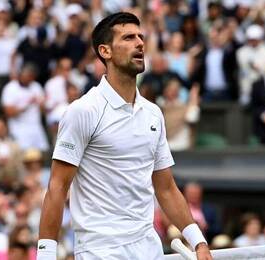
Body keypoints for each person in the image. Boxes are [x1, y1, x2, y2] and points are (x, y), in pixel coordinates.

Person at [37, 12, 212, 260]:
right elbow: (57, 187)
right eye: (128, 37)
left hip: (148, 248)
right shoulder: (83, 111)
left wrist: (199, 242)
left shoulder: (153, 114)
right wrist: (45, 256)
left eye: (140, 37)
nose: (140, 43)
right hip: (100, 251)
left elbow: (166, 188)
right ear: (105, 52)